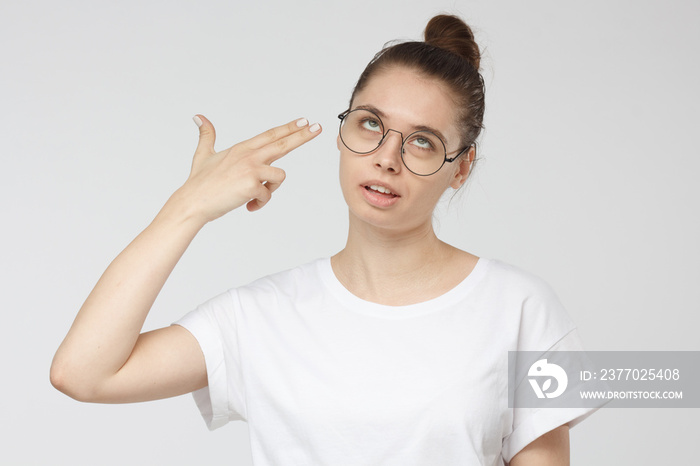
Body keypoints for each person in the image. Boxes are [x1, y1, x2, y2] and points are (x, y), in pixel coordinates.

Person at [51, 14, 599, 466]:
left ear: (461, 167)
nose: (387, 157)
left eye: (424, 142)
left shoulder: (522, 308)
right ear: (342, 132)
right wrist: (188, 207)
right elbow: (83, 374)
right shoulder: (262, 316)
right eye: (369, 124)